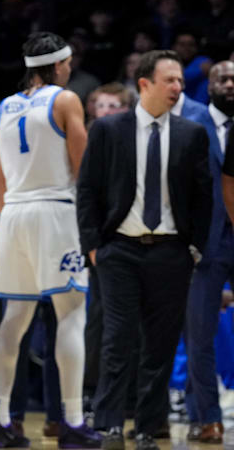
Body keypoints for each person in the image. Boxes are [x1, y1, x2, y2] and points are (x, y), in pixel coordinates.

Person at [77, 49, 211, 450]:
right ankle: (108, 422)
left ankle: (150, 427)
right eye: (170, 80)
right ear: (144, 84)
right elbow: (88, 191)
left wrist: (195, 248)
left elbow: (204, 199)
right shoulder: (108, 130)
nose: (178, 87)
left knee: (161, 342)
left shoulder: (192, 133)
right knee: (117, 338)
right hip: (119, 248)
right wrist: (93, 246)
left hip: (172, 251)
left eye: (181, 82)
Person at [0, 32, 100, 448]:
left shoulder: (2, 108)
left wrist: (13, 213)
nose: (70, 69)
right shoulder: (65, 99)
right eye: (68, 63)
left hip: (13, 213)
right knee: (71, 316)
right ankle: (72, 420)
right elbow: (83, 169)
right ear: (58, 65)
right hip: (55, 210)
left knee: (14, 319)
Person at [185, 61, 234, 443]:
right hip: (207, 242)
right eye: (224, 78)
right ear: (209, 85)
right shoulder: (191, 123)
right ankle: (207, 417)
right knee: (200, 335)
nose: (231, 84)